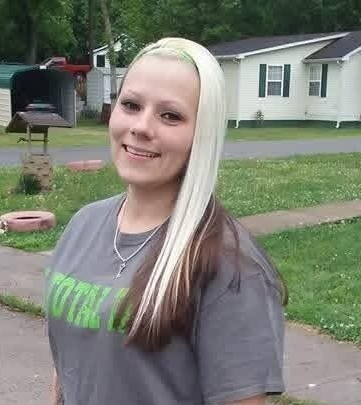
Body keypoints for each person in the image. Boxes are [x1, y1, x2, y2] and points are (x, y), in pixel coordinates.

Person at [45, 37, 287, 405]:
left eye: (170, 115)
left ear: (201, 134)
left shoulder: (230, 267)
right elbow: (69, 367)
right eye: (131, 105)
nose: (141, 126)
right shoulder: (84, 224)